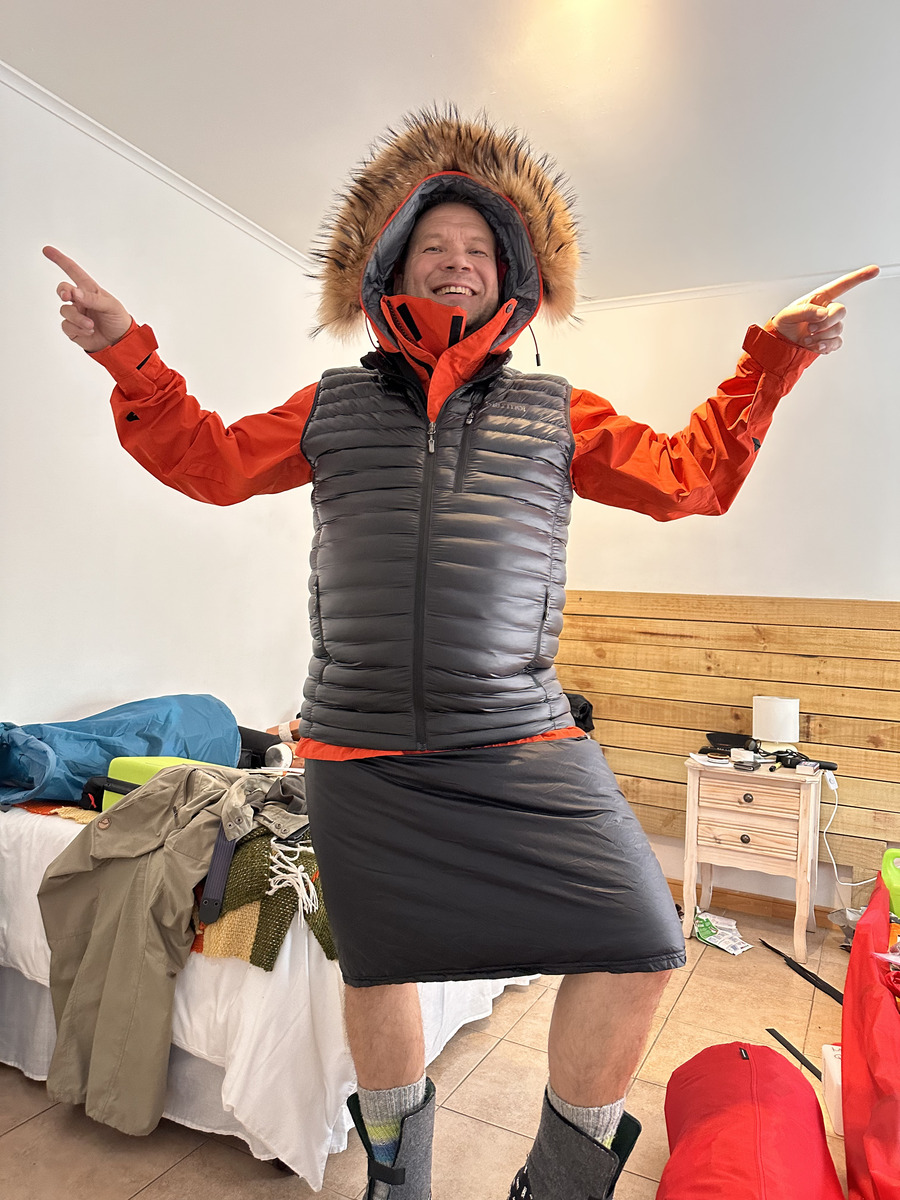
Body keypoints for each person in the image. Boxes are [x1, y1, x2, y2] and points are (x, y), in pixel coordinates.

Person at [44, 108, 877, 1200]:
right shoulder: (332, 405)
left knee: (640, 940)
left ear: (510, 281)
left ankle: (562, 1183)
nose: (455, 263)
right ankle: (401, 1177)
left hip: (521, 737)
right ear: (394, 266)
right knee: (377, 961)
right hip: (358, 748)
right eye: (433, 246)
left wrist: (772, 358)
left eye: (477, 251)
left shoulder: (554, 410)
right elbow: (206, 460)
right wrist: (125, 349)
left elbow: (691, 476)